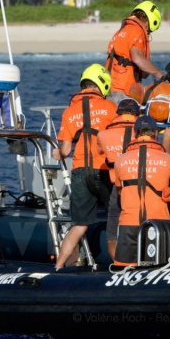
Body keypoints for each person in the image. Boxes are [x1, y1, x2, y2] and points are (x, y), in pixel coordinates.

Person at [54, 64, 117, 269]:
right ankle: (122, 264)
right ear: (103, 84)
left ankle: (58, 266)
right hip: (104, 170)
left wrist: (57, 153)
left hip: (80, 172)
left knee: (79, 225)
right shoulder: (110, 107)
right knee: (117, 214)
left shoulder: (69, 112)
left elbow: (65, 151)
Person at [113, 115, 170, 265]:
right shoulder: (168, 159)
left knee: (123, 270)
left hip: (128, 223)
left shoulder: (120, 160)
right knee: (159, 269)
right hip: (158, 223)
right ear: (156, 133)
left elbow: (119, 190)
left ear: (135, 133)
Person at [96, 97, 141, 259]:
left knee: (112, 235)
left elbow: (100, 152)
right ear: (137, 114)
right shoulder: (142, 133)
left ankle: (118, 264)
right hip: (140, 187)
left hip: (118, 188)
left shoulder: (103, 134)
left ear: (118, 114)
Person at [106, 0, 164, 103]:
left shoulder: (122, 30)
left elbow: (143, 73)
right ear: (149, 22)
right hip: (123, 90)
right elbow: (137, 58)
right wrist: (160, 74)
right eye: (149, 31)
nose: (148, 33)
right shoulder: (137, 31)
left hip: (109, 86)